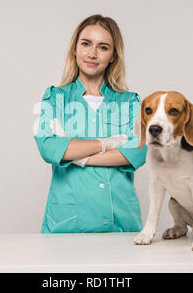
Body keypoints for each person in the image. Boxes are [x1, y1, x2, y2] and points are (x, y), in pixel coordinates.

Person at [34, 14, 148, 233]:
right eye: (86, 44)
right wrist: (108, 143)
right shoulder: (56, 98)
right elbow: (49, 148)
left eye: (103, 47)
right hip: (67, 223)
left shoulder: (129, 102)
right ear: (75, 49)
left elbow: (136, 153)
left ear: (113, 56)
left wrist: (74, 154)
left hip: (120, 221)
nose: (92, 53)